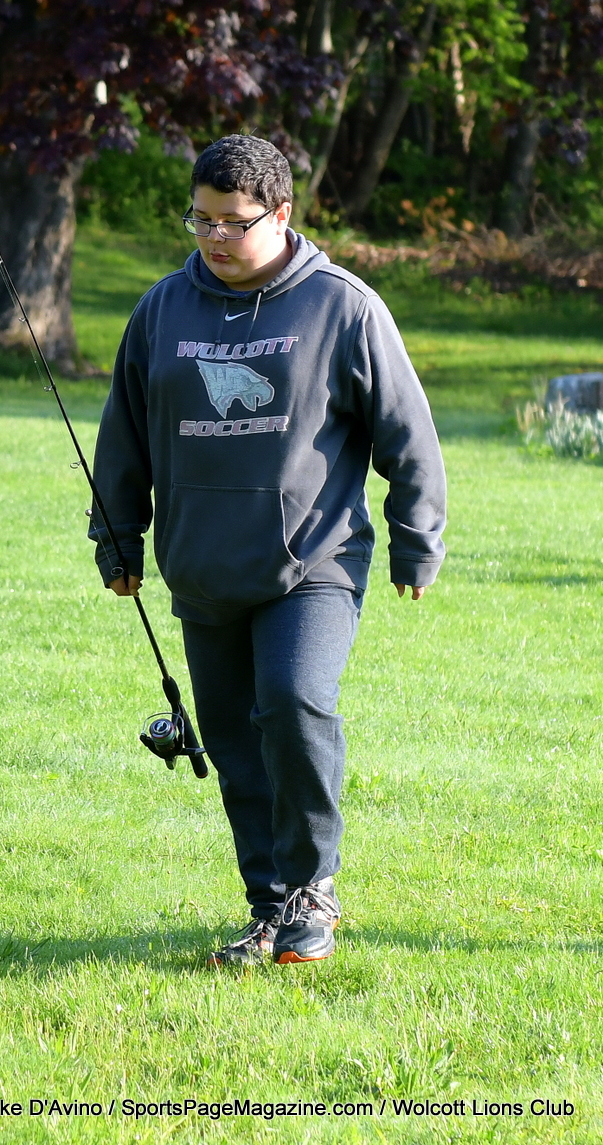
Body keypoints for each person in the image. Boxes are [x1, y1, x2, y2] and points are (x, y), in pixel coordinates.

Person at [89, 135, 446, 966]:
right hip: (201, 565)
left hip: (312, 560)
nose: (213, 237)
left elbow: (408, 435)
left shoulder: (342, 306)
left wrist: (416, 541)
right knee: (234, 745)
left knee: (292, 700)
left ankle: (313, 889)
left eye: (234, 222)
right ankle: (269, 908)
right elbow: (123, 436)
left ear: (281, 215)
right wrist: (117, 537)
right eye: (200, 219)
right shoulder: (161, 310)